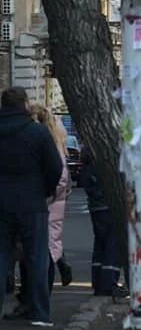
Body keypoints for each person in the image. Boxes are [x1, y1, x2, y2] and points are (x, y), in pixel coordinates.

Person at [0, 87, 63, 326]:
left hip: (2, 203)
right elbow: (55, 167)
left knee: (2, 257)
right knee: (37, 258)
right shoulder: (37, 132)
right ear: (25, 104)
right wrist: (45, 191)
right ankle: (40, 313)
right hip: (32, 202)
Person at [30, 106, 73, 296]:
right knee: (48, 244)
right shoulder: (56, 142)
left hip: (48, 203)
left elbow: (60, 179)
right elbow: (65, 181)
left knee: (44, 247)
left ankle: (41, 292)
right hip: (53, 202)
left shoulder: (49, 145)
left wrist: (45, 197)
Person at [78, 146, 125, 297]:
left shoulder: (87, 167)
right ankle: (108, 282)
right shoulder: (105, 166)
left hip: (96, 208)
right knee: (113, 245)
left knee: (101, 244)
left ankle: (98, 280)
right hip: (108, 207)